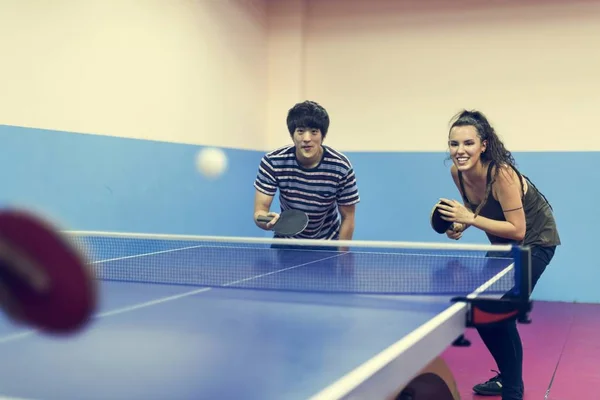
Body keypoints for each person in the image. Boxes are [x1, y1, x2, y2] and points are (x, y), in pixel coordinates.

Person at [436, 109, 560, 400]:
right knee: (480, 312)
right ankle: (506, 377)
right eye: (454, 144)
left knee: (501, 314)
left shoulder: (502, 174)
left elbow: (518, 230)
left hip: (535, 241)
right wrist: (459, 225)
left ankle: (513, 391)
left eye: (468, 143)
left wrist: (469, 218)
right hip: (502, 246)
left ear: (483, 145)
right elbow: (477, 212)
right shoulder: (459, 173)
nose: (460, 151)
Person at [253, 100, 360, 244]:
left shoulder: (341, 167)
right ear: (292, 135)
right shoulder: (273, 162)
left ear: (322, 136)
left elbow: (348, 217)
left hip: (327, 243)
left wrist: (342, 257)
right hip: (286, 243)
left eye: (314, 132)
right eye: (300, 131)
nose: (307, 139)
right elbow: (260, 212)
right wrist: (267, 220)